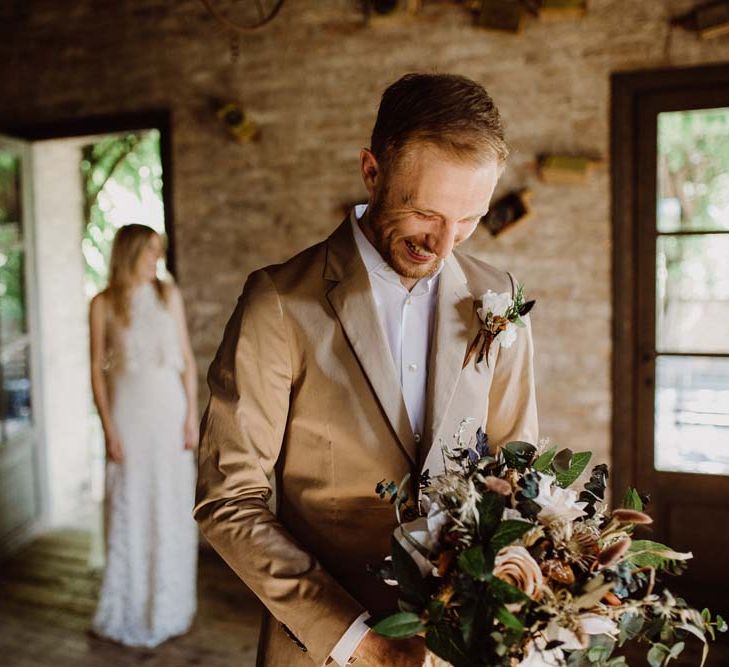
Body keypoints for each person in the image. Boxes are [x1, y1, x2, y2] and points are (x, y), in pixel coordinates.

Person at [194, 73, 538, 666]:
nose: (445, 243)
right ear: (372, 171)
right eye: (425, 213)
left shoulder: (498, 297)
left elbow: (517, 461)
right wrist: (362, 645)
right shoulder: (279, 302)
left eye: (469, 219)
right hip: (322, 647)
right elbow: (230, 499)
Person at [89, 223, 199, 648]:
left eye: (159, 252)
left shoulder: (168, 295)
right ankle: (130, 606)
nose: (157, 259)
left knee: (168, 505)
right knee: (130, 505)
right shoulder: (102, 303)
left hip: (169, 413)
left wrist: (191, 416)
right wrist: (108, 429)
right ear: (130, 252)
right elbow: (96, 373)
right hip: (128, 416)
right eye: (150, 252)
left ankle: (169, 604)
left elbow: (187, 360)